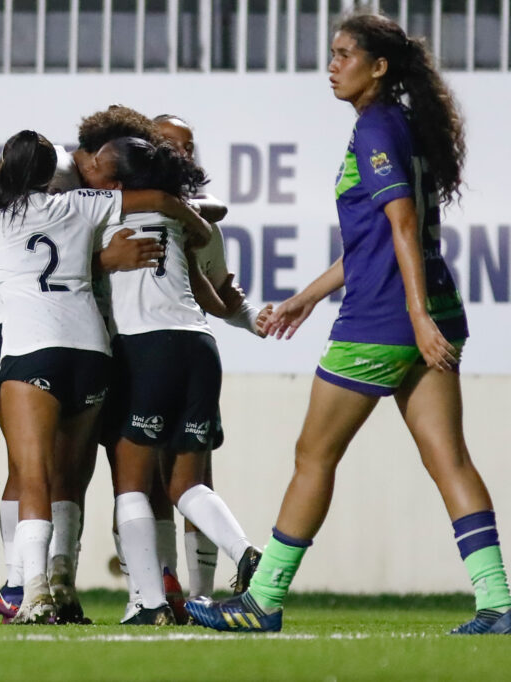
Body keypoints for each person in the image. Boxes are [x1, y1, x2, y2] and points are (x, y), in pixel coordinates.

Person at [186, 11, 511, 635]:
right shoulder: (405, 125)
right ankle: (497, 604)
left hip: (385, 322)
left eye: (343, 55)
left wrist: (412, 317)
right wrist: (308, 298)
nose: (331, 66)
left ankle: (263, 600)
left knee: (314, 455)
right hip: (433, 312)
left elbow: (402, 227)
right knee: (451, 462)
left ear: (378, 67)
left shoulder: (376, 127)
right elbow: (374, 243)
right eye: (331, 55)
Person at [0, 130, 212, 623]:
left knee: (32, 475)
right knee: (71, 478)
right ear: (49, 174)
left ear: (4, 171)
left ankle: (31, 590)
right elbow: (157, 199)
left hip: (30, 355)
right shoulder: (80, 202)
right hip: (90, 355)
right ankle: (64, 582)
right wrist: (197, 222)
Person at [86, 137, 263, 624]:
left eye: (97, 164)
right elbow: (214, 297)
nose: (87, 168)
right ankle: (247, 554)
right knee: (186, 483)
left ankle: (148, 603)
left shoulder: (100, 215)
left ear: (118, 184)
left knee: (132, 485)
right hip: (199, 347)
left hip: (147, 348)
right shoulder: (174, 218)